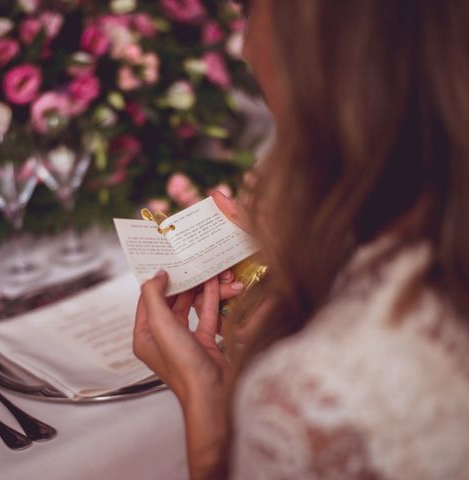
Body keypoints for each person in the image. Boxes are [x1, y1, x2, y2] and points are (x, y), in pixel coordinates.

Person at [133, 0, 469, 479]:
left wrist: (203, 400)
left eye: (253, 8)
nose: (243, 45)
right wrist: (304, 269)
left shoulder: (314, 397)